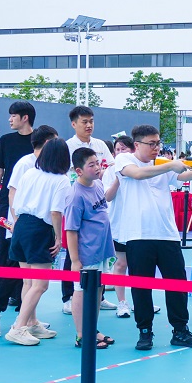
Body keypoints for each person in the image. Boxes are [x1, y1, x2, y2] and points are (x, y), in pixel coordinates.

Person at [113, 124, 192, 351]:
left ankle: (180, 330)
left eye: (158, 143)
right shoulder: (125, 160)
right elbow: (137, 174)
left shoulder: (163, 164)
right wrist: (170, 165)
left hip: (167, 235)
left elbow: (182, 175)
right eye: (151, 144)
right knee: (141, 287)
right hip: (138, 235)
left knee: (177, 285)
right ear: (137, 144)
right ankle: (145, 331)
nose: (156, 148)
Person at [0, 125, 58, 337]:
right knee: (10, 267)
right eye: (55, 141)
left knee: (28, 279)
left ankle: (30, 321)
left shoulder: (47, 165)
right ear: (47, 143)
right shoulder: (26, 163)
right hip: (19, 224)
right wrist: (16, 222)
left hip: (33, 227)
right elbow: (12, 193)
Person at [4, 138, 72, 346]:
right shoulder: (61, 180)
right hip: (39, 230)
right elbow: (55, 212)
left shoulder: (30, 173)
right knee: (41, 284)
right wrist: (58, 237)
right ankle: (19, 327)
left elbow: (15, 200)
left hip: (21, 225)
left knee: (29, 282)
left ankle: (31, 322)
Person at [0, 101, 35, 313]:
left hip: (31, 205)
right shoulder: (6, 140)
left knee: (26, 250)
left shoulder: (39, 141)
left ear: (25, 117)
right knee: (3, 246)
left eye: (13, 115)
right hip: (7, 203)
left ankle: (20, 295)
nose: (9, 119)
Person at [62, 106, 116, 315]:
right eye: (84, 121)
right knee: (75, 252)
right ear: (73, 124)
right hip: (77, 200)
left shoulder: (100, 145)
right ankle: (69, 297)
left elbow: (111, 168)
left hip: (96, 198)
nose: (89, 125)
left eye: (91, 121)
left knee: (98, 255)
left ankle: (99, 297)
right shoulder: (68, 147)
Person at [65, 147, 117, 349]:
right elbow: (71, 230)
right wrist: (75, 260)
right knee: (81, 290)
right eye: (91, 165)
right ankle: (81, 335)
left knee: (98, 289)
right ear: (79, 171)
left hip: (101, 249)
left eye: (97, 163)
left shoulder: (97, 184)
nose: (97, 167)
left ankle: (91, 329)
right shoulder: (75, 196)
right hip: (86, 253)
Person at [104, 136, 137, 318]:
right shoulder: (111, 171)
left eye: (124, 149)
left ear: (133, 150)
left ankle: (140, 301)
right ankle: (122, 303)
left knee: (139, 265)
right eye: (117, 149)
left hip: (138, 225)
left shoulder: (139, 168)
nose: (120, 152)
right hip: (118, 224)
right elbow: (107, 197)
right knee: (121, 263)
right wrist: (118, 178)